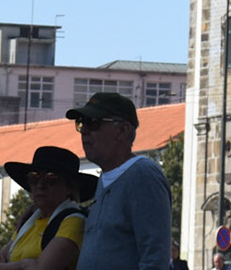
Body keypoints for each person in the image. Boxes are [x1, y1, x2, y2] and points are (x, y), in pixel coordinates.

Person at [70, 92, 173, 270]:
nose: (84, 130)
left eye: (93, 122)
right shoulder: (106, 179)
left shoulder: (143, 176)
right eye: (81, 123)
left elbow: (155, 257)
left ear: (123, 130)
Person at [0, 145, 96, 270]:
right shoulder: (28, 223)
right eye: (34, 177)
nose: (40, 185)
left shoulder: (74, 221)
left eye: (51, 177)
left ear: (69, 187)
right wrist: (23, 265)